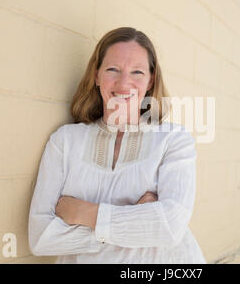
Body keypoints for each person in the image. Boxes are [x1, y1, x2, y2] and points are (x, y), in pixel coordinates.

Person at [28, 27, 207, 264]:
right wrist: (136, 218)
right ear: (96, 74)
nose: (124, 84)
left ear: (151, 80)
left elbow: (170, 228)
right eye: (113, 69)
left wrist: (83, 213)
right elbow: (41, 238)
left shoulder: (173, 140)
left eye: (137, 72)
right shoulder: (65, 141)